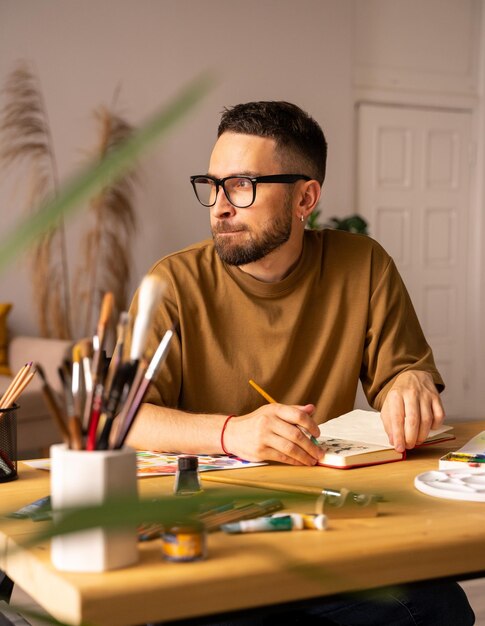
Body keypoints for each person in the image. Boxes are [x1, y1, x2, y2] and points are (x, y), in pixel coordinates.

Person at [127, 101, 474, 625]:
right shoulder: (170, 284)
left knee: (438, 609)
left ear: (305, 197)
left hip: (330, 527)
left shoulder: (364, 264)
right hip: (212, 538)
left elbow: (405, 372)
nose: (219, 206)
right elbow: (124, 417)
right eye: (213, 184)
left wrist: (411, 383)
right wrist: (234, 433)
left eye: (241, 185)